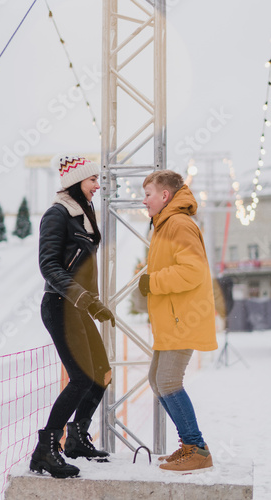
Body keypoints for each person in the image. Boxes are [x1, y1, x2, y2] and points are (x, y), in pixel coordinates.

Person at [30, 156, 114, 479]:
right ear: (77, 181)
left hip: (78, 306)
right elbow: (49, 266)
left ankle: (77, 438)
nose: (97, 185)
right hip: (59, 306)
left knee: (102, 372)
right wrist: (83, 298)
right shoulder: (57, 214)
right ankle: (46, 450)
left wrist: (93, 303)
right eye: (92, 179)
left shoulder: (83, 215)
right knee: (81, 377)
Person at [138, 170, 218, 473]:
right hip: (172, 319)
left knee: (169, 382)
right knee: (157, 380)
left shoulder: (179, 225)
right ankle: (189, 446)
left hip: (182, 318)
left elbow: (193, 271)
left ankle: (196, 448)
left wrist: (152, 282)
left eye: (148, 194)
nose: (143, 200)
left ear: (165, 196)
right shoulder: (165, 225)